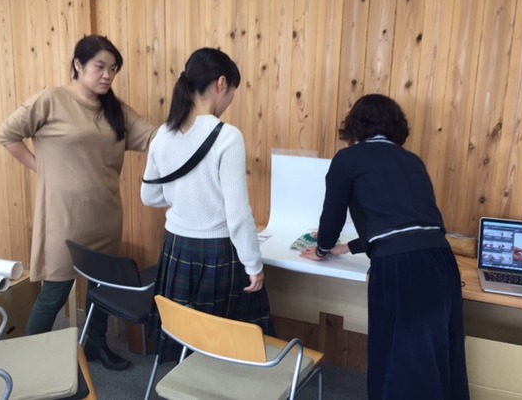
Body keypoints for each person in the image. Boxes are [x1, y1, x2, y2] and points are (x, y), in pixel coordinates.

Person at [0, 35, 158, 371]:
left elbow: (153, 138)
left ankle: (96, 344)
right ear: (78, 65)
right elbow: (7, 134)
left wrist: (193, 123)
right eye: (100, 66)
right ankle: (31, 360)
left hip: (106, 216)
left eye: (113, 69)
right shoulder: (52, 100)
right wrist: (41, 168)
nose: (107, 75)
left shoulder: (116, 110)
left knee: (101, 289)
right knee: (54, 293)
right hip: (63, 220)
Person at [300, 94, 470, 400]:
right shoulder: (413, 162)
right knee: (442, 355)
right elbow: (406, 224)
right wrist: (347, 248)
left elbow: (332, 219)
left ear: (355, 125)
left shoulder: (348, 159)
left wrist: (323, 249)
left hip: (400, 267)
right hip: (442, 261)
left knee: (397, 359)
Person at [141, 47, 274, 360]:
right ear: (221, 83)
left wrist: (182, 199)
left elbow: (149, 196)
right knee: (221, 335)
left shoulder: (163, 134)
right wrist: (254, 266)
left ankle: (184, 377)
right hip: (217, 251)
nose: (230, 100)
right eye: (233, 92)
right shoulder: (228, 136)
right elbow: (238, 214)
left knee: (185, 328)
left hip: (176, 247)